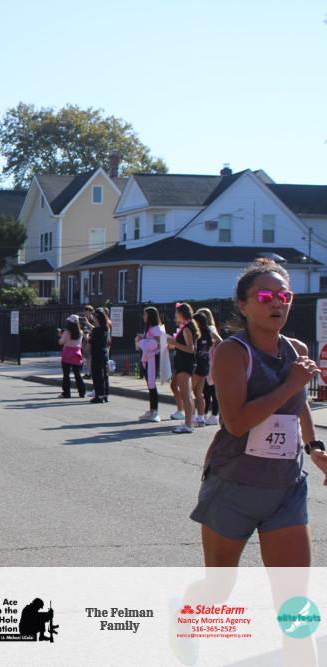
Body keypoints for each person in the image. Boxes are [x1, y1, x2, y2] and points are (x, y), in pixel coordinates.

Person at [176, 260, 321, 666]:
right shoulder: (231, 352)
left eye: (284, 295)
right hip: (233, 487)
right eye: (265, 296)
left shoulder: (297, 351)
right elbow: (236, 422)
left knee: (295, 604)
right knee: (218, 590)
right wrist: (290, 384)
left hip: (286, 489)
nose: (277, 303)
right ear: (243, 305)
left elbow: (299, 405)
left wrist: (315, 448)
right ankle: (187, 613)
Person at [167, 302, 199, 433]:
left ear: (181, 313)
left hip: (185, 363)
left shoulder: (186, 328)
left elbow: (191, 349)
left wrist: (174, 343)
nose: (175, 315)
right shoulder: (185, 327)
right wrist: (174, 344)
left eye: (177, 313)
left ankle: (188, 424)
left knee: (186, 395)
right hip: (182, 362)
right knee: (184, 392)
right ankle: (189, 420)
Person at [135, 306, 166, 422]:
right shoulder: (150, 329)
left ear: (150, 316)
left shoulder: (156, 329)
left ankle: (155, 411)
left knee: (152, 384)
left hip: (153, 359)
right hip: (148, 358)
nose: (143, 316)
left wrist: (143, 341)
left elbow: (160, 343)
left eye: (145, 314)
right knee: (150, 384)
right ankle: (152, 409)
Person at [196, 307, 223, 426]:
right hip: (206, 361)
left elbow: (220, 341)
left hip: (212, 362)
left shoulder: (210, 329)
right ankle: (205, 413)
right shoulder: (203, 330)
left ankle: (214, 415)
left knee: (212, 390)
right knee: (205, 390)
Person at [190, 310, 216, 428]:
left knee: (188, 392)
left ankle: (190, 418)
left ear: (198, 323)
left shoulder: (198, 335)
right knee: (199, 394)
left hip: (197, 365)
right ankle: (200, 418)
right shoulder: (208, 334)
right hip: (205, 365)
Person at [58, 315, 85, 398]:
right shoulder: (80, 332)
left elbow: (61, 342)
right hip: (77, 353)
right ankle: (82, 392)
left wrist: (60, 336)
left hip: (67, 353)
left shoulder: (66, 333)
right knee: (77, 374)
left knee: (66, 374)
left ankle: (66, 392)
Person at [89, 308, 110, 403]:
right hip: (104, 352)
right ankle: (106, 394)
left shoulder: (96, 330)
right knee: (104, 374)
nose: (93, 319)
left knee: (97, 374)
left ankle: (99, 395)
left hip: (97, 353)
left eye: (94, 317)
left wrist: (87, 336)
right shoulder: (106, 329)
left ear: (97, 318)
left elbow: (92, 342)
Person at [81, 304, 95, 379]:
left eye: (86, 311)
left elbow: (93, 330)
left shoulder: (92, 320)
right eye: (85, 312)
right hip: (85, 339)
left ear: (90, 312)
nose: (85, 313)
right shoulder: (85, 320)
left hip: (90, 340)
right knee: (87, 357)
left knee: (90, 357)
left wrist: (89, 342)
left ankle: (90, 372)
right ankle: (88, 371)